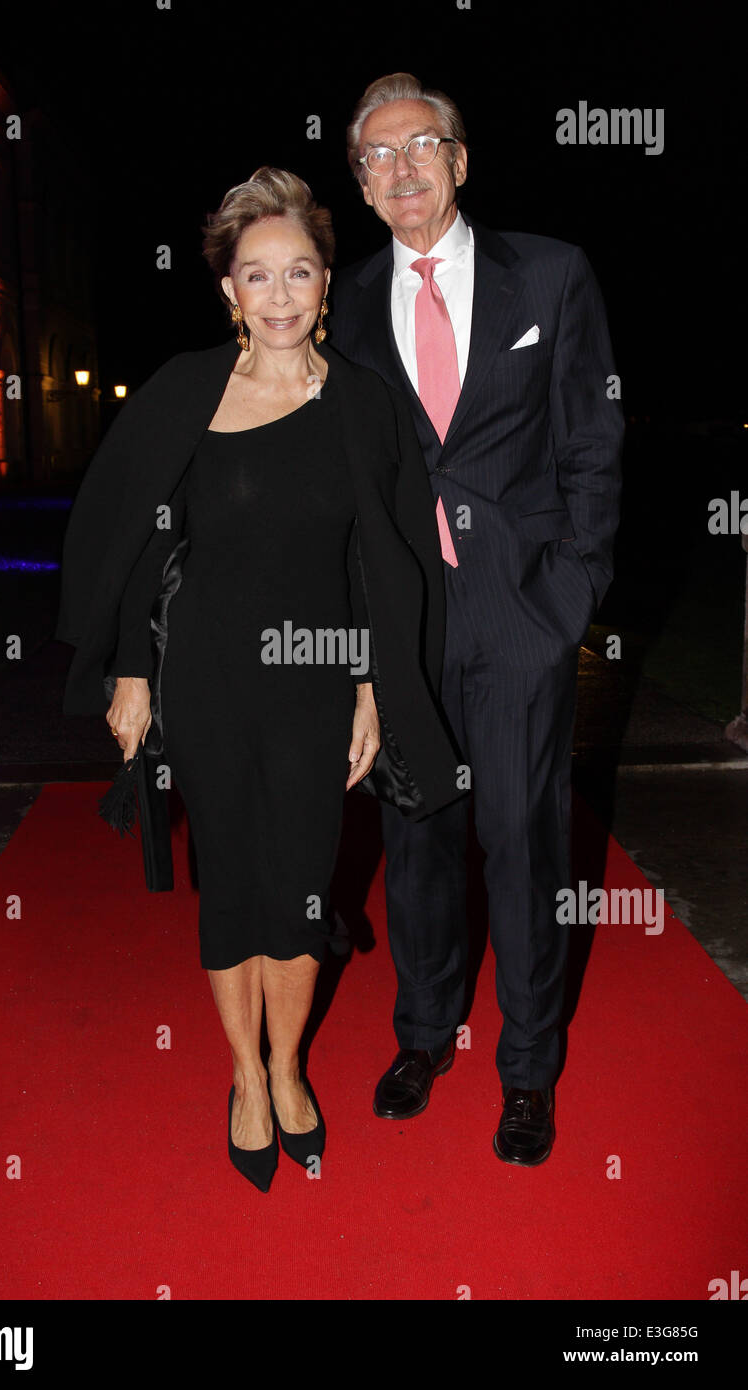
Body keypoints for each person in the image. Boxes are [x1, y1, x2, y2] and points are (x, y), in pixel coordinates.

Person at [55, 167, 460, 1192]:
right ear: (227, 291)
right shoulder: (185, 394)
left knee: (301, 887)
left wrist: (372, 684)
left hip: (317, 680)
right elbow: (146, 540)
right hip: (206, 678)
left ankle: (289, 1068)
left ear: (327, 284)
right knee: (230, 884)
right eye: (255, 276)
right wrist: (133, 671)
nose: (278, 295)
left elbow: (386, 558)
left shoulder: (363, 407)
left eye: (298, 273)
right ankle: (245, 1078)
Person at [330, 74, 624, 1165]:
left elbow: (591, 440)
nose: (400, 169)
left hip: (519, 614)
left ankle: (528, 1068)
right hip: (401, 623)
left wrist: (569, 592)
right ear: (358, 186)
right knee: (414, 840)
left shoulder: (548, 274)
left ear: (459, 160)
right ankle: (419, 1036)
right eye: (375, 157)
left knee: (521, 839)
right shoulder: (345, 301)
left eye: (420, 146)